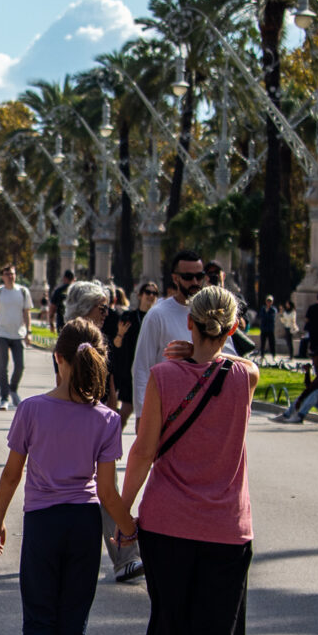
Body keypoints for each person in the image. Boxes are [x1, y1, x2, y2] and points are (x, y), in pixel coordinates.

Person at [122, 285, 260, 635]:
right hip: (228, 527)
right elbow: (233, 361)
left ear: (189, 324)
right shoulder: (248, 377)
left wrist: (123, 511)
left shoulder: (163, 376)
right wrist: (206, 348)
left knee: (170, 620)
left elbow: (142, 450)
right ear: (234, 328)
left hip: (168, 523)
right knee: (217, 626)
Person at [0, 318, 134, 635]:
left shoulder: (31, 409)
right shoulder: (107, 420)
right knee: (74, 625)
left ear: (58, 358)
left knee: (38, 618)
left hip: (44, 524)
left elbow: (12, 474)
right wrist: (131, 529)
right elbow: (107, 492)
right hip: (85, 525)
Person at [67, 281, 144, 584]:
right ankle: (126, 555)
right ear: (86, 307)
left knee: (102, 490)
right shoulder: (75, 340)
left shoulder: (93, 337)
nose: (107, 313)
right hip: (85, 423)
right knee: (102, 492)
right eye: (102, 307)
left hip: (97, 422)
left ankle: (125, 556)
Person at [131, 250, 233, 418]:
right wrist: (142, 414)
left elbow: (230, 358)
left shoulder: (214, 312)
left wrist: (198, 352)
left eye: (199, 276)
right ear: (175, 278)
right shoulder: (157, 315)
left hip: (207, 409)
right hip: (168, 410)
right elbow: (142, 367)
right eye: (188, 277)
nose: (195, 282)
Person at [0, 265, 34, 411]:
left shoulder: (22, 291)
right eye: (7, 274)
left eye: (12, 274)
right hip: (1, 332)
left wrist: (29, 332)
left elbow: (27, 312)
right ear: (2, 276)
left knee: (20, 365)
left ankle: (13, 388)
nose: (10, 276)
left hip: (18, 333)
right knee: (3, 366)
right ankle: (4, 397)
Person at [112, 282, 157, 425]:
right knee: (124, 414)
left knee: (148, 419)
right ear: (140, 295)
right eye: (147, 292)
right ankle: (111, 444)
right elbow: (116, 345)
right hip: (130, 371)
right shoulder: (128, 317)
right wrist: (120, 334)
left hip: (152, 372)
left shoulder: (157, 319)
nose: (150, 296)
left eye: (154, 293)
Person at [272, 348, 318, 423]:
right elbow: (310, 387)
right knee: (311, 393)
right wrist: (307, 373)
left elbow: (312, 388)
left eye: (314, 357)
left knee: (316, 393)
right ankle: (286, 415)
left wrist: (300, 400)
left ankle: (299, 416)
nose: (312, 360)